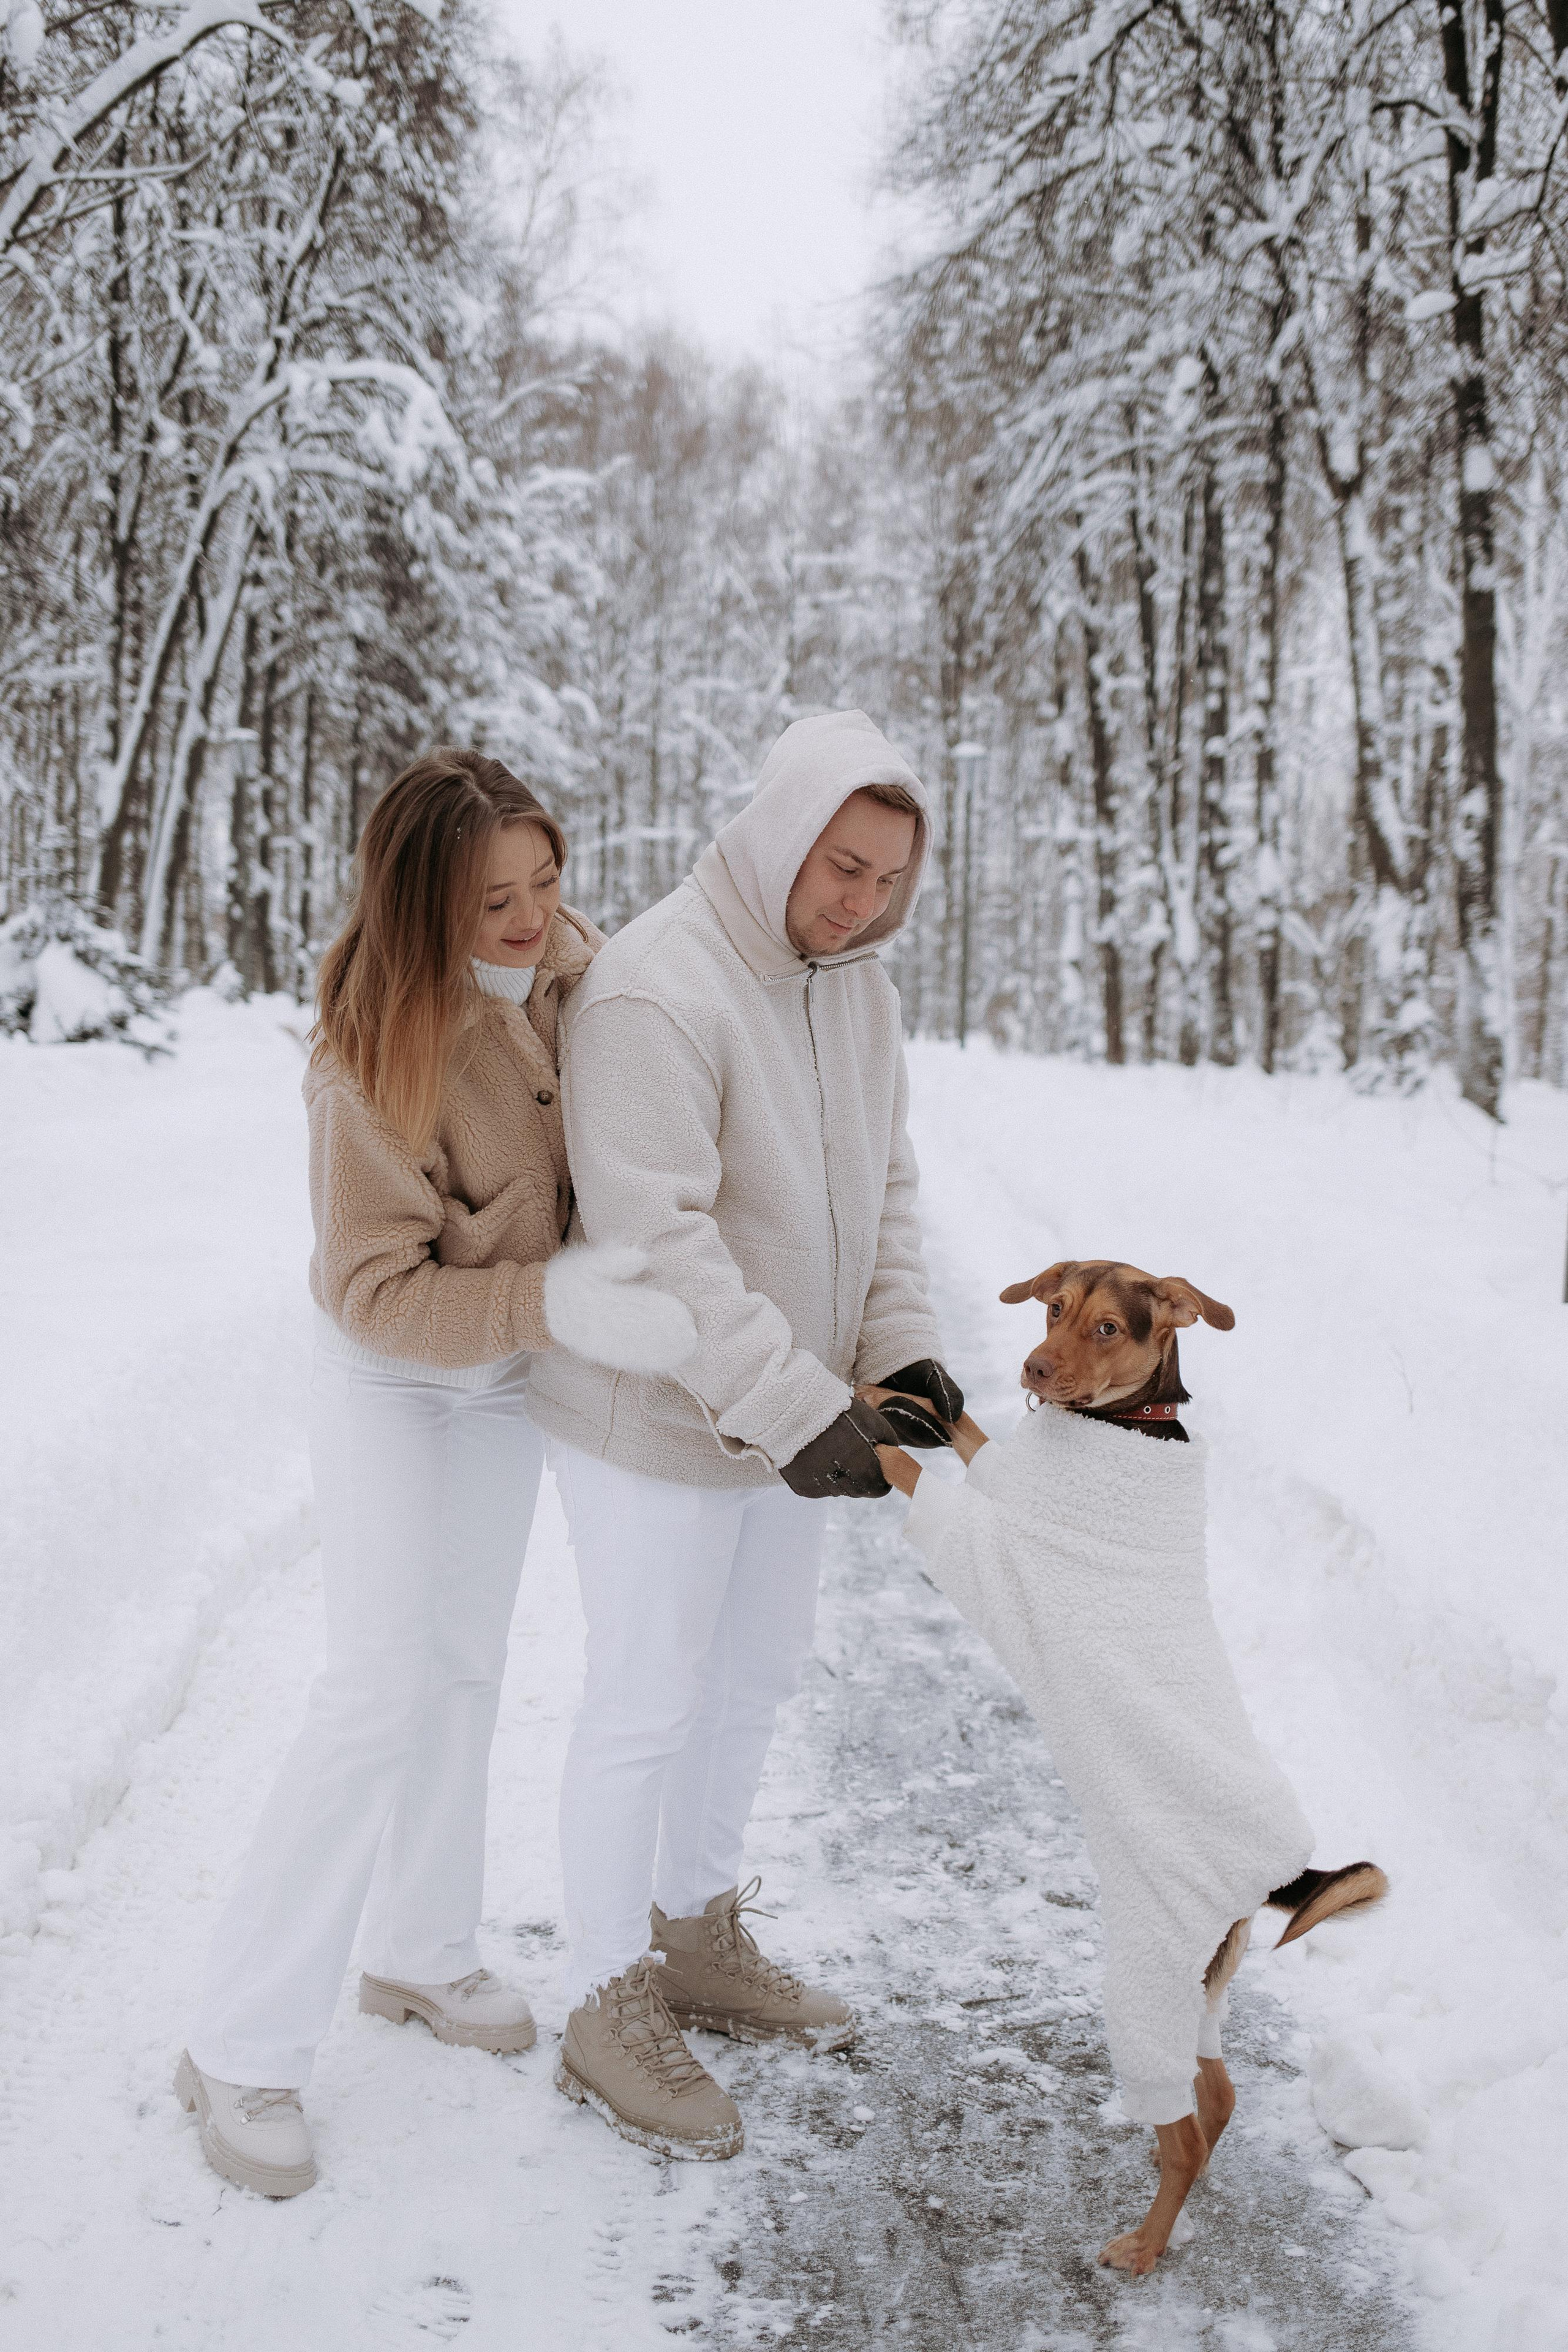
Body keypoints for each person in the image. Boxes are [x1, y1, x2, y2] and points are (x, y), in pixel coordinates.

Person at [175, 749, 694, 2199]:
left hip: (505, 1377)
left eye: (546, 883)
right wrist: (554, 1303)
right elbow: (372, 1292)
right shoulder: (368, 1054)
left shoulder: (578, 974)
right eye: (493, 901)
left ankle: (418, 1951)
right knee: (374, 1692)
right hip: (394, 1381)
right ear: (421, 907)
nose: (534, 919)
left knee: (465, 1669)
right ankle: (235, 2044)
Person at [528, 708, 964, 2160]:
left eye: (888, 880)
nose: (860, 902)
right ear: (782, 833)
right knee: (647, 1695)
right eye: (842, 867)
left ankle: (695, 1935)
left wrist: (895, 1348)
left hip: (792, 1414)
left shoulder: (856, 991)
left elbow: (882, 1193)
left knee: (754, 1675)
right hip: (652, 1415)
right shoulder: (657, 988)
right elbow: (656, 1243)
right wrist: (794, 1405)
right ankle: (601, 1997)